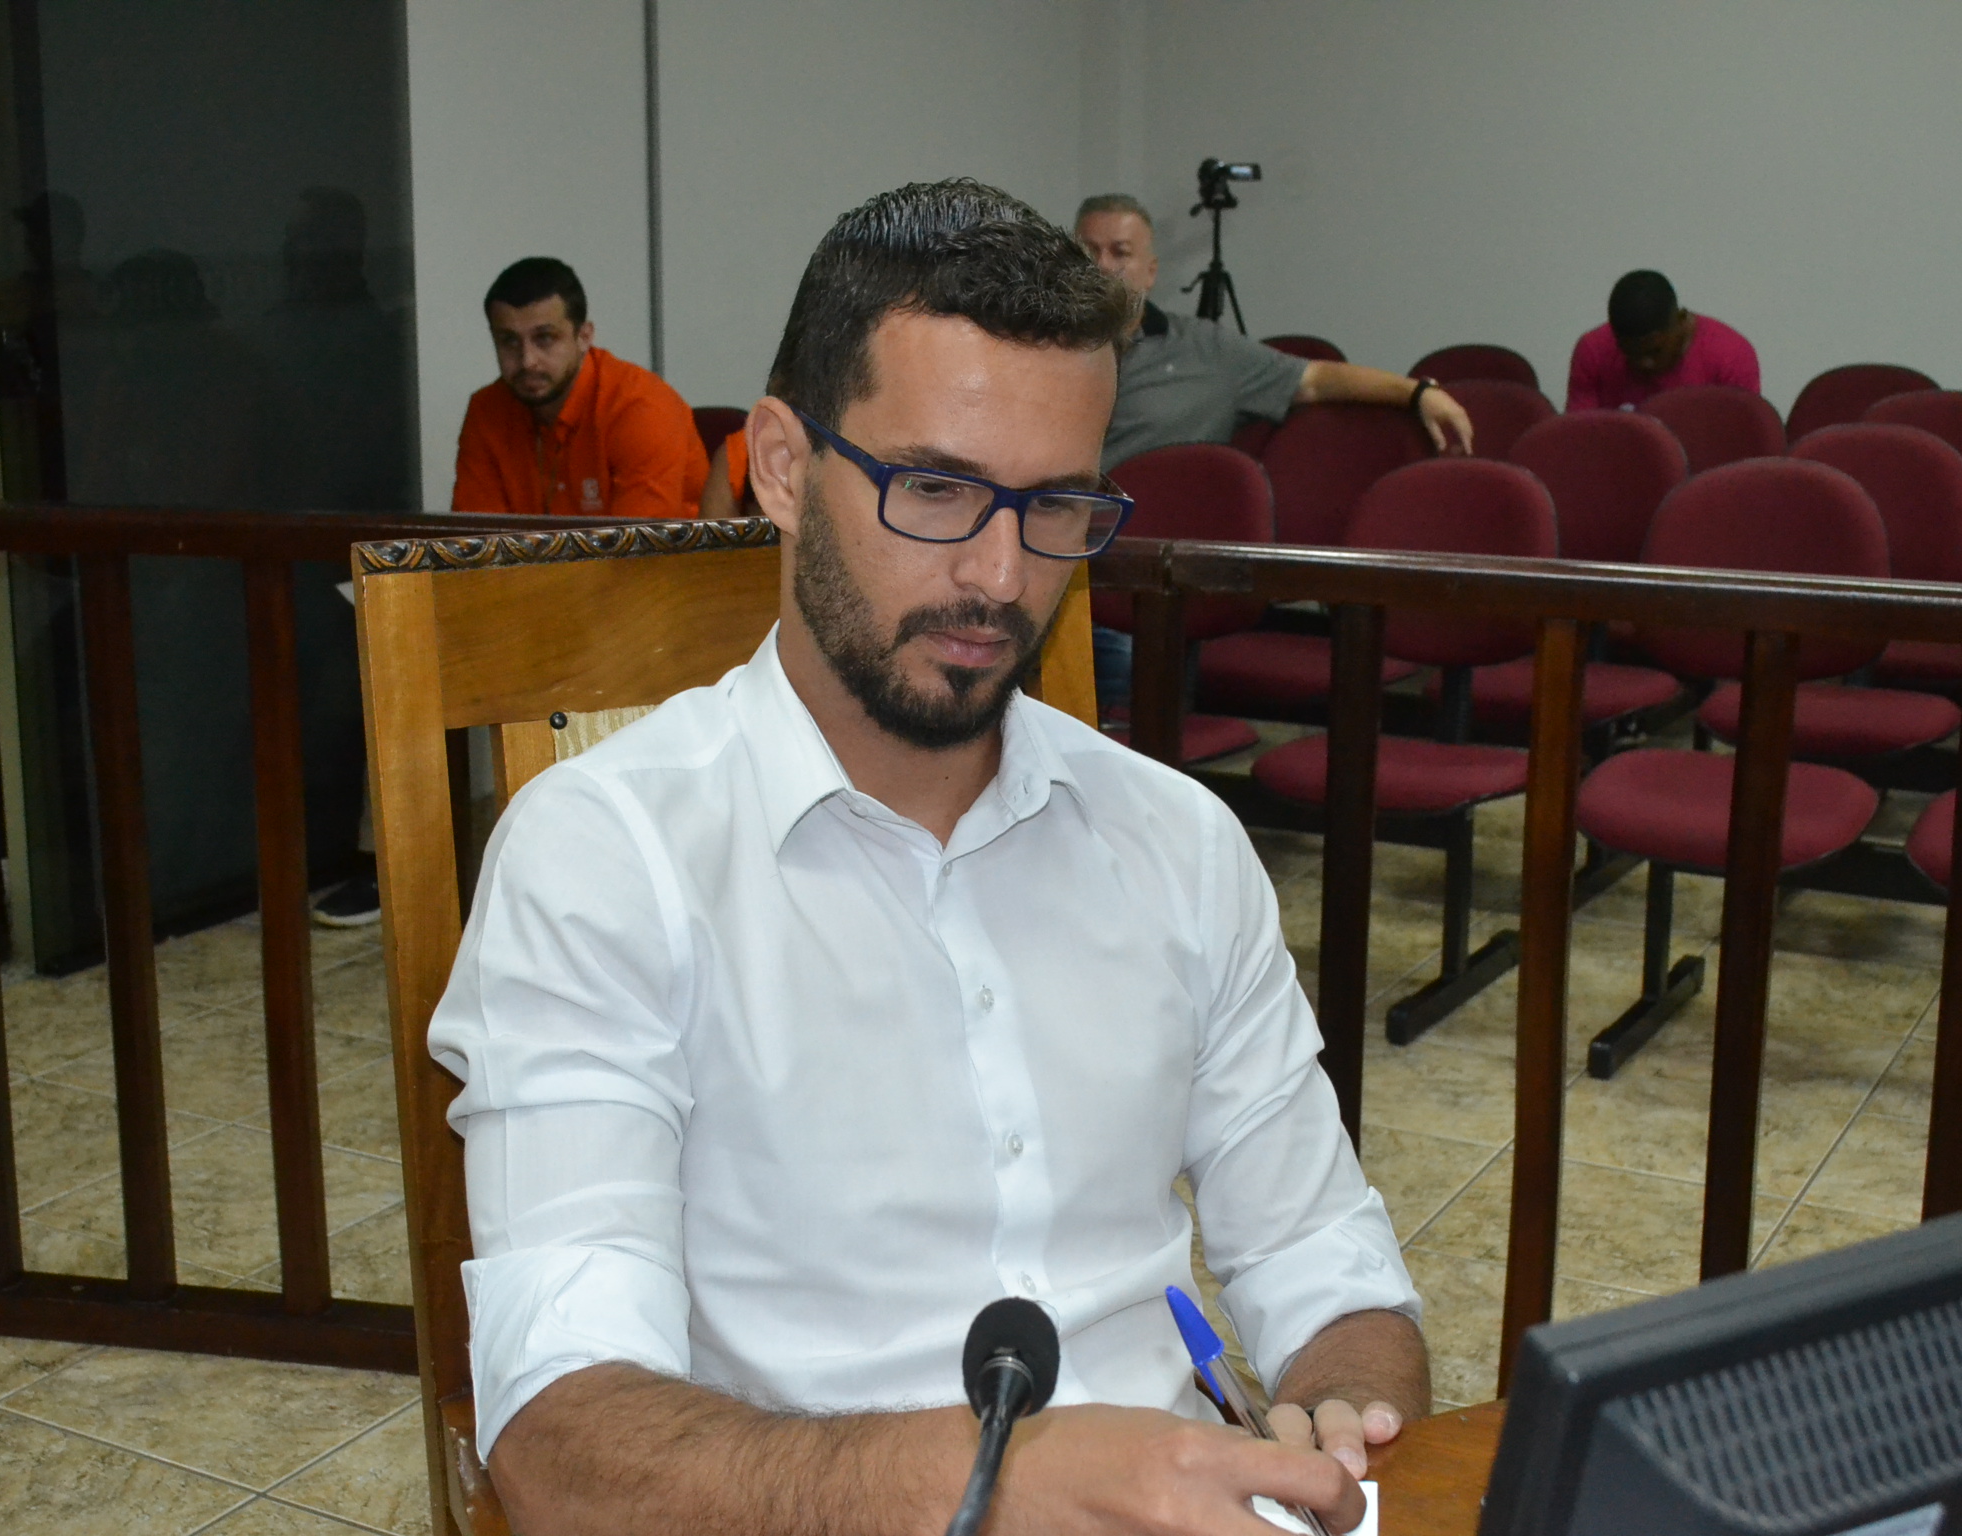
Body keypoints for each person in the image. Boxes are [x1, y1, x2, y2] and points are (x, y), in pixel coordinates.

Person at [434, 180, 1426, 1536]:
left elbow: (1323, 1258)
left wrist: (1345, 1401)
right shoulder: (600, 858)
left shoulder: (1176, 840)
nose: (1003, 580)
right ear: (783, 467)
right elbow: (563, 1440)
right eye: (940, 490)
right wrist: (997, 1484)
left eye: (1057, 505)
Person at [1073, 194, 1472, 470]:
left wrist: (1417, 393)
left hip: (1147, 541)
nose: (1102, 266)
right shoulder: (1045, 348)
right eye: (1089, 251)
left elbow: (1315, 379)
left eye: (1120, 252)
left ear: (1151, 272)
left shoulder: (1208, 350)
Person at [452, 257, 706, 518]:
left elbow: (638, 543)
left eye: (545, 338)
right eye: (509, 341)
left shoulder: (641, 407)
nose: (527, 360)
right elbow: (479, 539)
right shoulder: (487, 410)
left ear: (584, 337)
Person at [1565, 269, 1759, 412]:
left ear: (1681, 321)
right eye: (1630, 353)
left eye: (1655, 351)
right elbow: (1581, 440)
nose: (1644, 363)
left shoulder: (1730, 357)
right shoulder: (1593, 351)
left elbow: (1739, 442)